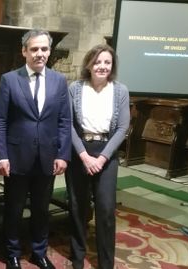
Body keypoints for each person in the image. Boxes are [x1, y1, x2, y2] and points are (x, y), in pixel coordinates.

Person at [0, 29, 72, 269]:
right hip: (16, 158)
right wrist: (2, 155)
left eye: (44, 49)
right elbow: (0, 120)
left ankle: (39, 251)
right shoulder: (9, 79)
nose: (40, 54)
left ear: (49, 51)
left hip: (47, 158)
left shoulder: (59, 81)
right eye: (34, 49)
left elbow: (64, 121)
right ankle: (13, 253)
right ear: (24, 51)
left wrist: (63, 154)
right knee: (14, 210)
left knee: (41, 210)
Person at [66, 43, 130, 269]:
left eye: (107, 62)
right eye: (98, 62)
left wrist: (101, 158)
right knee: (77, 207)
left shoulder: (120, 90)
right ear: (89, 64)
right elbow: (68, 125)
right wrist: (84, 156)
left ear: (112, 66)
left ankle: (106, 263)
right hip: (80, 152)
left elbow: (123, 128)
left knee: (105, 210)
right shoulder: (75, 88)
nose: (102, 66)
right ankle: (77, 258)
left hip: (107, 154)